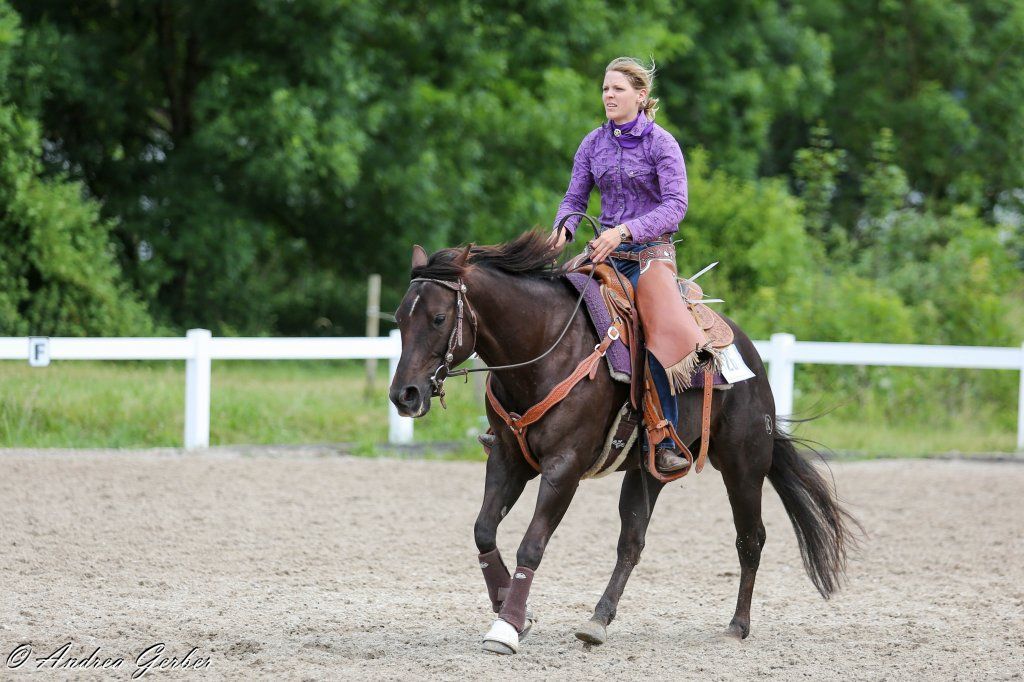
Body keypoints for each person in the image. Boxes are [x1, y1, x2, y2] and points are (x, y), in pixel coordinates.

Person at [550, 57, 710, 474]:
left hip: (650, 255)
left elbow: (676, 206)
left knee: (658, 331)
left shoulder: (662, 144)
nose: (608, 95)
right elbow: (574, 200)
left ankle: (664, 436)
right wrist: (564, 228)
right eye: (604, 88)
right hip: (604, 254)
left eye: (617, 89)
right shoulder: (592, 144)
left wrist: (623, 232)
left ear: (641, 96)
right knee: (549, 306)